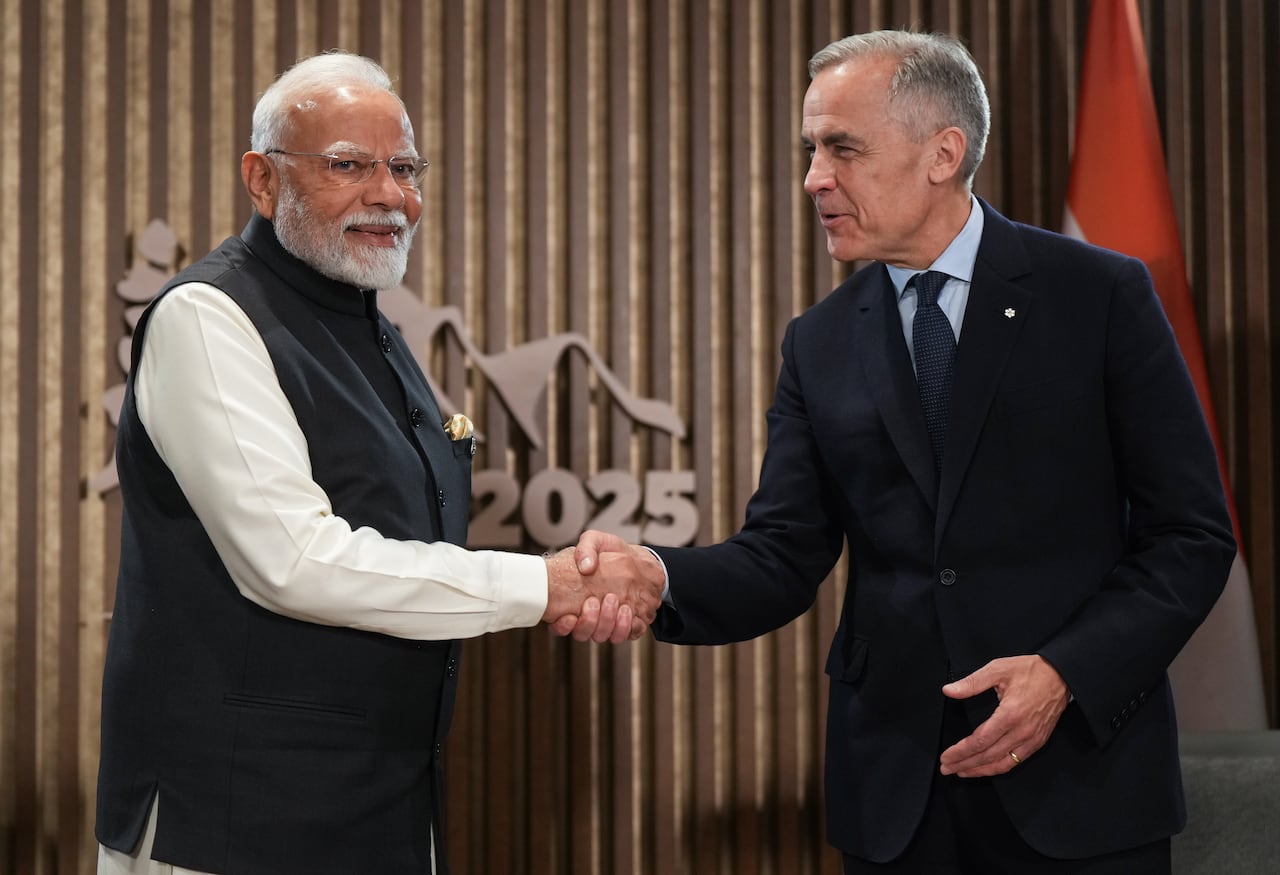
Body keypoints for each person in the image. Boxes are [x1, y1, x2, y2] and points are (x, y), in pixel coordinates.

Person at [566, 29, 1235, 874]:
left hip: (1081, 786)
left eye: (841, 148)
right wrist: (655, 577)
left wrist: (1067, 671)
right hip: (896, 800)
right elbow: (782, 554)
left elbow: (1192, 536)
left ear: (942, 154)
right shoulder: (818, 341)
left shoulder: (1099, 295)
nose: (814, 178)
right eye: (811, 150)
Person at [95, 51, 656, 875]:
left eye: (403, 168)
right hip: (231, 824)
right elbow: (292, 561)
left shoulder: (372, 326)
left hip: (381, 813)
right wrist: (546, 584)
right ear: (262, 179)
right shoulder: (208, 317)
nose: (389, 195)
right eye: (348, 166)